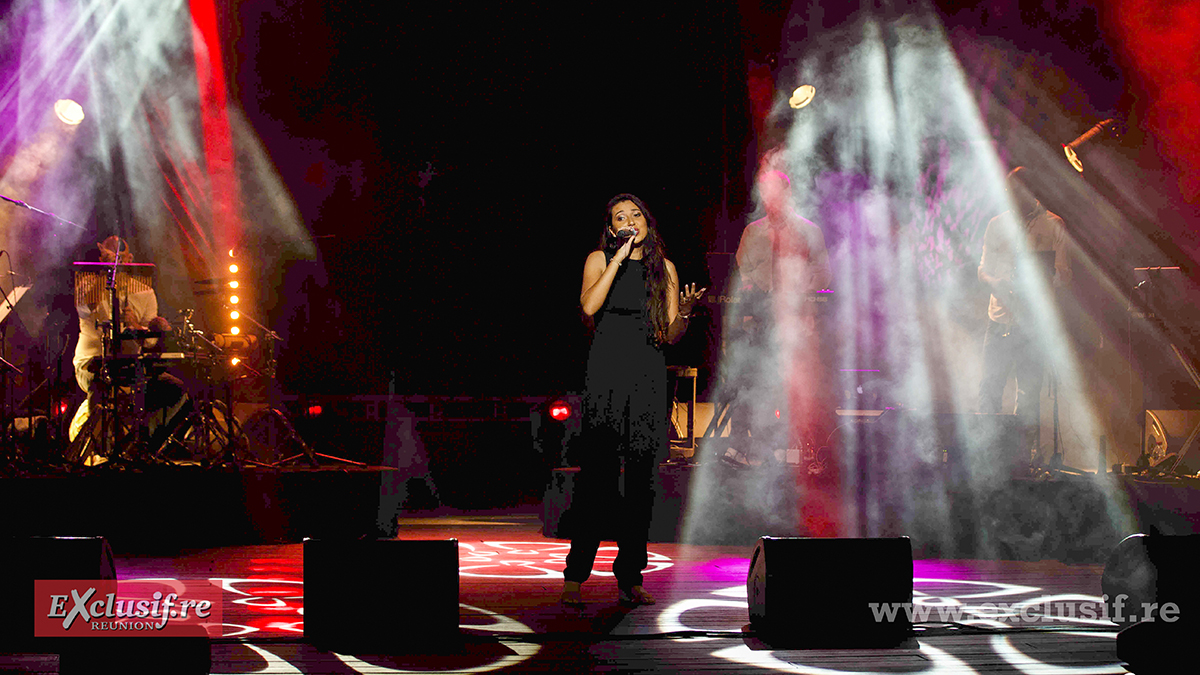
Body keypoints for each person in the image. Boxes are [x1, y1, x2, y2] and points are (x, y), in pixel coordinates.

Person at [560, 193, 705, 608]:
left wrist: (687, 313)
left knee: (641, 480)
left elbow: (669, 334)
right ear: (611, 229)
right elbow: (589, 305)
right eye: (620, 217)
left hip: (647, 371)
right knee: (597, 477)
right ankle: (575, 576)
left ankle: (630, 577)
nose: (629, 220)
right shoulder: (598, 259)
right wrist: (618, 259)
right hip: (605, 370)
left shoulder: (666, 270)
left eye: (635, 214)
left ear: (647, 221)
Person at [730, 168, 832, 463]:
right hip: (761, 320)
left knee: (797, 386)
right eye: (764, 191)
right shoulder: (753, 232)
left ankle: (802, 449)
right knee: (758, 384)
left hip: (797, 322)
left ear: (787, 193)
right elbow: (744, 274)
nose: (769, 198)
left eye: (775, 190)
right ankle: (757, 448)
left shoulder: (808, 231)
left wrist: (800, 298)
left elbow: (824, 275)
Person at [977, 166, 1072, 452]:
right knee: (989, 390)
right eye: (1010, 191)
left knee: (1028, 396)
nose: (1013, 196)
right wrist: (1000, 282)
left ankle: (1024, 459)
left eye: (1019, 191)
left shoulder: (1054, 223)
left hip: (1032, 325)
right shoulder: (996, 224)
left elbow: (1064, 274)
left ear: (1032, 192)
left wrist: (1047, 284)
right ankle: (989, 458)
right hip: (999, 320)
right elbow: (983, 270)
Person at [68, 235, 185, 461]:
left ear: (130, 259)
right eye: (110, 257)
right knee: (102, 383)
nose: (117, 262)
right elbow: (84, 309)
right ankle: (97, 453)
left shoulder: (144, 292)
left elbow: (150, 343)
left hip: (131, 365)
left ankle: (141, 446)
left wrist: (136, 326)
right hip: (91, 362)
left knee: (174, 388)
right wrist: (104, 274)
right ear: (101, 258)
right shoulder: (87, 283)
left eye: (120, 257)